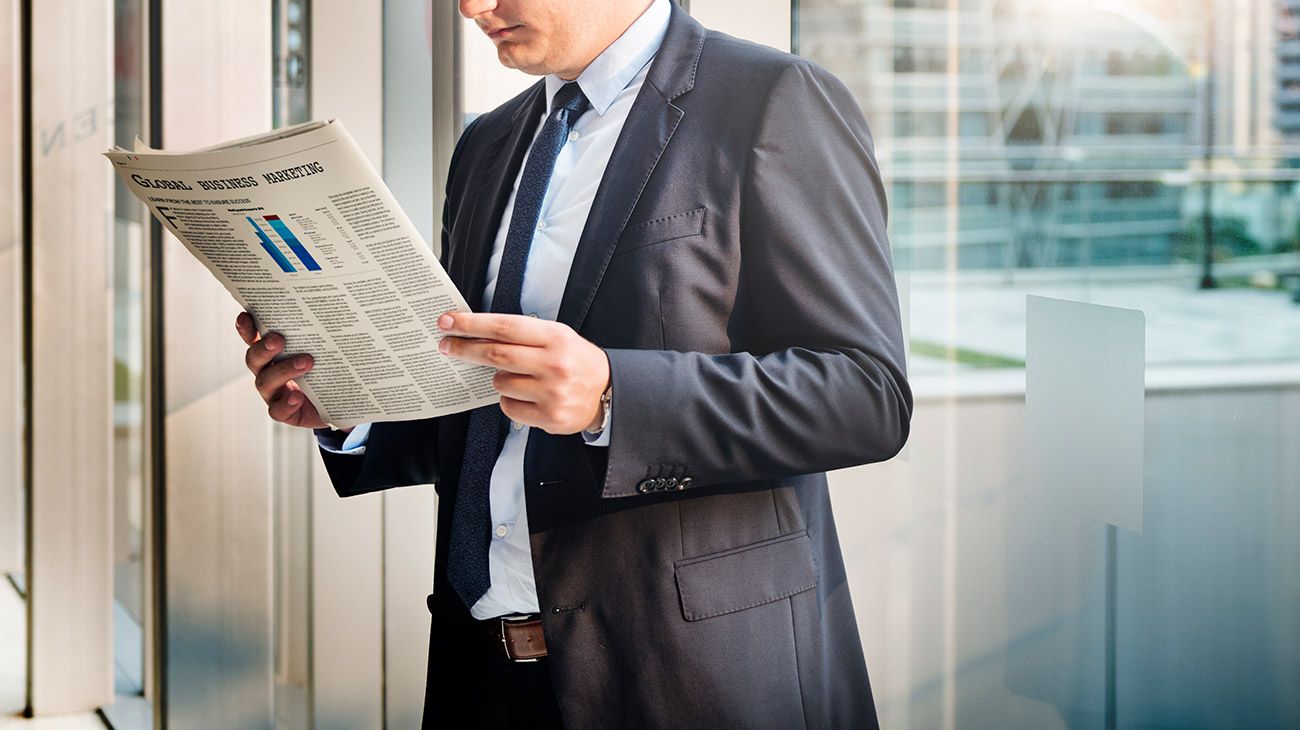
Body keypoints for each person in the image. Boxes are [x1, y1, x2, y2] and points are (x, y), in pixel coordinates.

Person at [234, 0, 911, 726]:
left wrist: (615, 397)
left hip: (691, 678)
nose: (472, 6)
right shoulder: (488, 144)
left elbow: (866, 395)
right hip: (482, 673)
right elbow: (488, 407)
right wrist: (355, 406)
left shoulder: (772, 99)